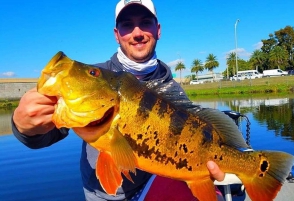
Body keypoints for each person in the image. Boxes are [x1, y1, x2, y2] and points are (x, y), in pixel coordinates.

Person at [12, 0, 225, 200]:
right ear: (117, 34)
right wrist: (24, 127)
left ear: (158, 30)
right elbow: (47, 134)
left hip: (156, 185)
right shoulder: (100, 76)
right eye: (127, 25)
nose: (137, 33)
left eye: (145, 23)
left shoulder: (173, 90)